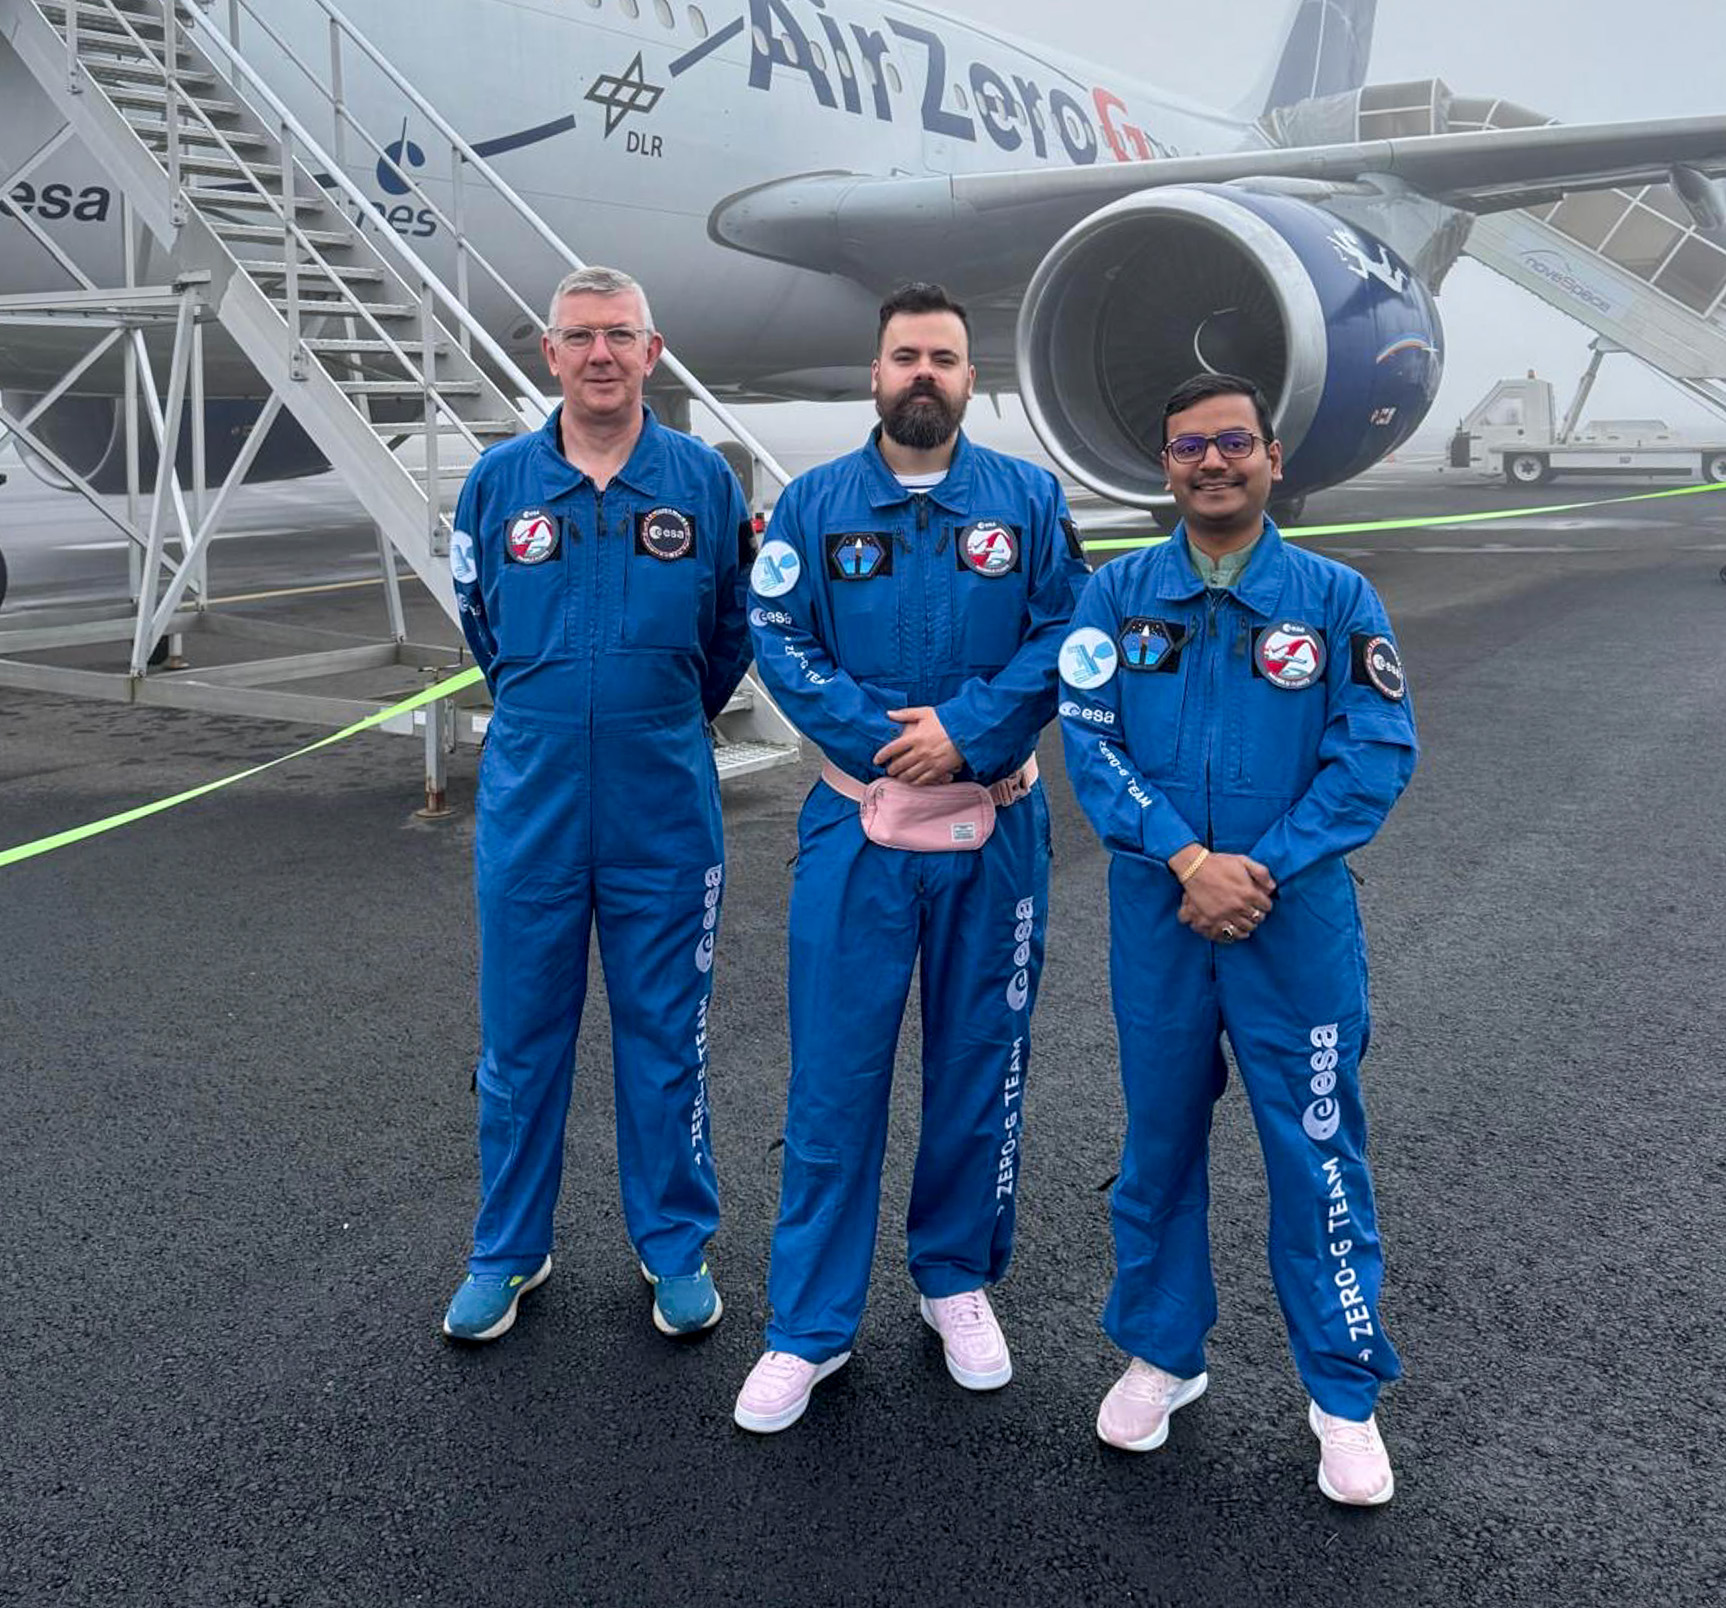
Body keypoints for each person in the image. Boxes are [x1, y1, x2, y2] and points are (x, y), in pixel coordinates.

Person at [733, 282, 1091, 1434]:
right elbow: (777, 638)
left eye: (943, 355)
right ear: (875, 374)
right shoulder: (816, 506)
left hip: (996, 827)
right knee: (836, 1077)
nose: (922, 373)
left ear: (969, 378)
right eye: (904, 356)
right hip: (858, 831)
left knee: (979, 1060)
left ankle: (953, 1277)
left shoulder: (1028, 502)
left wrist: (970, 732)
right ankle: (807, 1324)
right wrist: (887, 740)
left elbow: (1064, 634)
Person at [1058, 372, 1416, 1505]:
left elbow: (1373, 750)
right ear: (1163, 467)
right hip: (1160, 919)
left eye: (1231, 442)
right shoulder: (1116, 597)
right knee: (1157, 1147)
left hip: (1290, 921)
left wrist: (1261, 865)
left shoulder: (1336, 597)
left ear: (1270, 454)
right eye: (1187, 447)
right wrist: (1184, 857)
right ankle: (1163, 1352)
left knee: (1316, 1158)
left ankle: (1343, 1394)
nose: (1211, 462)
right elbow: (1090, 741)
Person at [442, 267, 752, 1342]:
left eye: (620, 334)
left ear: (652, 350)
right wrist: (558, 708)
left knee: (665, 1032)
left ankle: (672, 1244)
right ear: (550, 352)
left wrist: (649, 714)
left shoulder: (702, 481)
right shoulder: (496, 482)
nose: (601, 354)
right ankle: (508, 1248)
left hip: (662, 795)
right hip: (532, 797)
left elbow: (728, 633)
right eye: (580, 336)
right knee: (520, 1036)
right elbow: (479, 618)